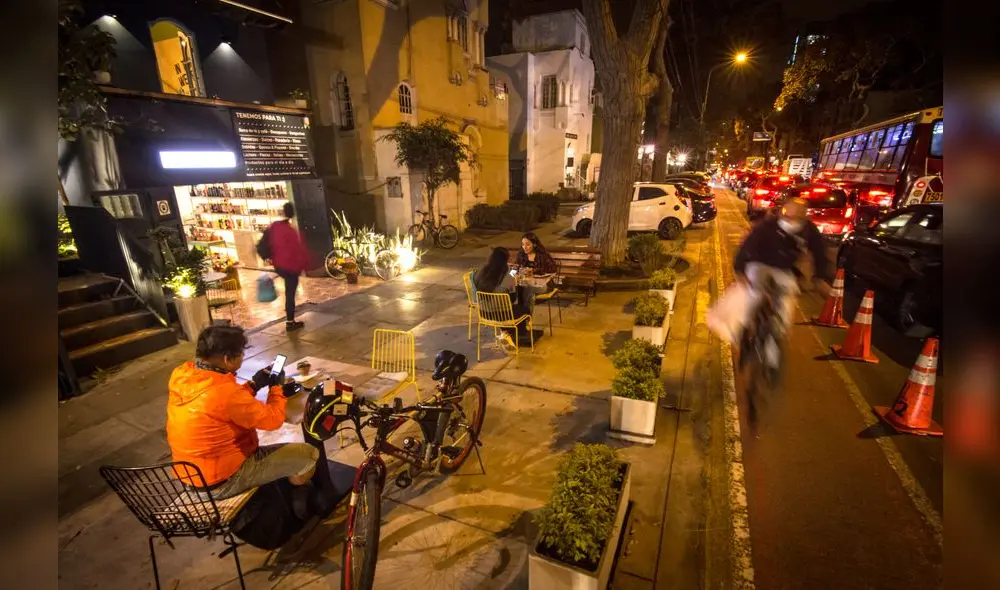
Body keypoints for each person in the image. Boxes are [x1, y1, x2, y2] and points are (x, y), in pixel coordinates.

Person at [166, 325, 319, 516]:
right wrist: (276, 388)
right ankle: (297, 499)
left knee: (276, 452)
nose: (242, 358)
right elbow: (272, 421)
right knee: (309, 455)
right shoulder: (226, 393)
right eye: (240, 354)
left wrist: (253, 385)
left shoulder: (182, 374)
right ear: (227, 359)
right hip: (223, 481)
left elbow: (222, 406)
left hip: (192, 476)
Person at [733, 198, 833, 381]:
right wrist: (741, 270)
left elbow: (819, 253)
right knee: (754, 297)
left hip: (784, 270)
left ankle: (772, 357)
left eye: (799, 214)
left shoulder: (808, 230)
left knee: (783, 312)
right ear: (783, 212)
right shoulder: (767, 227)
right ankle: (746, 330)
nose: (793, 219)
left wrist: (819, 279)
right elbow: (747, 247)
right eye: (790, 213)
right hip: (759, 265)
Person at [473, 247, 530, 346]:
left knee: (513, 309)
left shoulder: (481, 271)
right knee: (525, 309)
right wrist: (514, 283)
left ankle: (506, 333)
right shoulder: (507, 276)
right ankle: (516, 336)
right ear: (505, 260)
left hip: (484, 313)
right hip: (502, 315)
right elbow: (512, 299)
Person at [267, 203, 311, 331]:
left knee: (289, 292)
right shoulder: (290, 230)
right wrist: (304, 265)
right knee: (290, 294)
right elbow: (297, 250)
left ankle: (290, 319)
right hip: (290, 267)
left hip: (279, 265)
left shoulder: (275, 227)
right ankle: (290, 322)